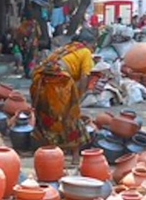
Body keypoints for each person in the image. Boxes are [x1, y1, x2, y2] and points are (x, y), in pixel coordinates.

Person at [29, 27, 97, 162]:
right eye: (93, 45)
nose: (93, 48)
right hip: (59, 82)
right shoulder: (85, 52)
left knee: (47, 117)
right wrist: (78, 97)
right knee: (70, 117)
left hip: (41, 81)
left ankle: (48, 156)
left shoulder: (65, 49)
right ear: (85, 42)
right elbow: (85, 76)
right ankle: (75, 157)